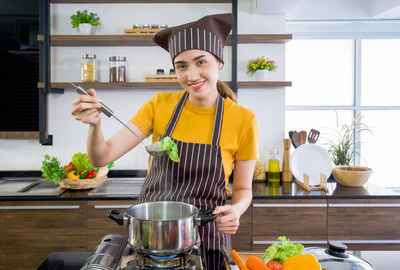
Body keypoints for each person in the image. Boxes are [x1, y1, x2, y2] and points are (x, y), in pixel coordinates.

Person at [71, 13, 259, 270]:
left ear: (219, 62)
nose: (191, 75)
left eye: (200, 62)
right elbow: (101, 158)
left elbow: (243, 191)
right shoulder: (159, 106)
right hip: (150, 240)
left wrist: (236, 210)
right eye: (181, 66)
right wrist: (95, 124)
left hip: (207, 240)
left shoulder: (243, 119)